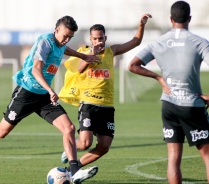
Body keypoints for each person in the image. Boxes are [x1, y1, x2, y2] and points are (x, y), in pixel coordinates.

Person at [0, 15, 100, 183]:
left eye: (70, 37)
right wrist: (50, 89)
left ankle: (74, 172)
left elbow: (64, 49)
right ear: (56, 30)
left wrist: (84, 57)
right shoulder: (45, 42)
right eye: (65, 35)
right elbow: (36, 70)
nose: (67, 40)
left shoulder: (61, 44)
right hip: (26, 93)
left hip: (43, 97)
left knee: (69, 128)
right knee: (1, 132)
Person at [58, 13, 152, 173]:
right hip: (88, 104)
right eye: (94, 39)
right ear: (90, 39)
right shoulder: (83, 52)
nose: (98, 41)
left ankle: (76, 166)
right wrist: (91, 54)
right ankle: (71, 147)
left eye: (100, 38)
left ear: (105, 38)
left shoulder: (111, 51)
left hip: (107, 106)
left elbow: (135, 42)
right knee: (85, 143)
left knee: (104, 146)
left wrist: (141, 25)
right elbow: (79, 69)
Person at [128, 1, 209, 183]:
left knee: (173, 158)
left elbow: (132, 65)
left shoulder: (158, 42)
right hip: (192, 105)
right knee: (207, 155)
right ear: (189, 18)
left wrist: (159, 78)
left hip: (169, 105)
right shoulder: (200, 42)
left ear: (171, 19)